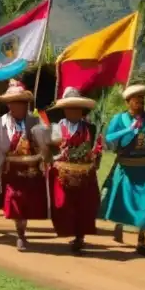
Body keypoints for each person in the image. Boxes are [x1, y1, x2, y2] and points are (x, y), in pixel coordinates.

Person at [99, 84, 145, 255]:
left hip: (144, 169)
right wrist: (128, 131)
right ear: (128, 102)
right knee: (122, 201)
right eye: (137, 101)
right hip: (125, 168)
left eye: (142, 101)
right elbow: (108, 139)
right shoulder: (119, 120)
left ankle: (141, 239)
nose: (140, 104)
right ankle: (119, 226)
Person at [0, 80, 48, 251]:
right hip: (12, 171)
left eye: (20, 103)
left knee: (28, 203)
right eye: (12, 103)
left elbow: (47, 143)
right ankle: (20, 234)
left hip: (31, 170)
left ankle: (22, 230)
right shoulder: (0, 124)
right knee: (15, 202)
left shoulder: (36, 121)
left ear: (25, 104)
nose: (15, 107)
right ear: (8, 105)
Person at [48, 88, 102, 254]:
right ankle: (67, 230)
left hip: (85, 173)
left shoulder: (90, 128)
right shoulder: (56, 128)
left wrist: (95, 157)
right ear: (64, 110)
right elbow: (50, 149)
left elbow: (97, 148)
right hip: (62, 173)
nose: (74, 111)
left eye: (77, 108)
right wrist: (57, 156)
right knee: (63, 203)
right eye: (70, 107)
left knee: (84, 206)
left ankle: (80, 237)